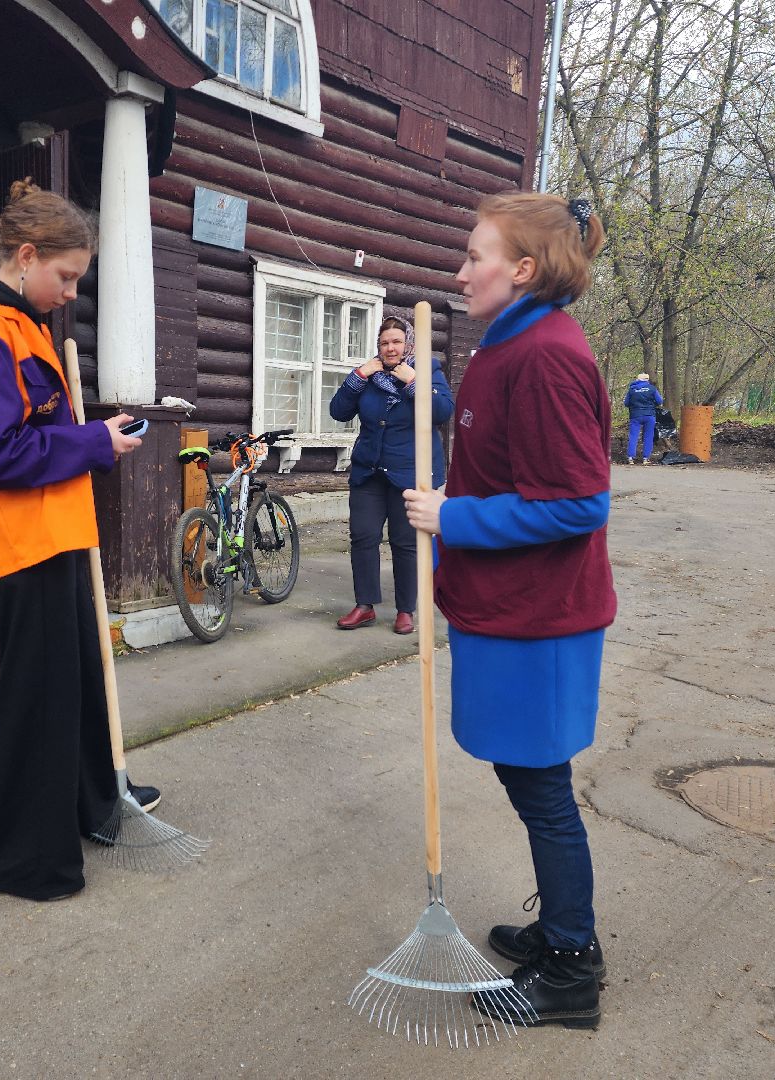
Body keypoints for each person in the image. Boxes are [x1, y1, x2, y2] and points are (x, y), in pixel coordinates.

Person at [404, 193, 615, 1029]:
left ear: (522, 270)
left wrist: (455, 518)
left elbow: (577, 502)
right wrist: (459, 495)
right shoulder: (507, 345)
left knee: (543, 789)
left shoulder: (548, 356)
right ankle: (561, 933)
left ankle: (571, 968)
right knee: (528, 779)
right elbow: (509, 472)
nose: (459, 273)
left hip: (543, 618)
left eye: (474, 258)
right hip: (505, 608)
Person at [0, 179, 157, 902]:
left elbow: (43, 427)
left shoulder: (22, 323)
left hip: (56, 533)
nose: (71, 293)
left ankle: (93, 804)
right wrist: (91, 443)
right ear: (25, 256)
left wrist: (96, 435)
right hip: (16, 541)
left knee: (79, 686)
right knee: (36, 698)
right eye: (66, 276)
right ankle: (22, 860)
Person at [329, 316, 453, 634]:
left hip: (409, 472)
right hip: (369, 471)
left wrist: (414, 382)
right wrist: (359, 375)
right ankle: (365, 605)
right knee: (364, 536)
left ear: (408, 343)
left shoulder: (429, 370)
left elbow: (441, 412)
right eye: (385, 342)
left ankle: (405, 610)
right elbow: (338, 411)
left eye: (396, 341)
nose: (390, 348)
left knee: (405, 542)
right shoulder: (369, 376)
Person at [624, 372, 664, 464]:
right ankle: (645, 458)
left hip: (635, 416)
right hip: (649, 415)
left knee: (633, 436)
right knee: (648, 436)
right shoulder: (652, 389)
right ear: (647, 380)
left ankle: (630, 458)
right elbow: (659, 401)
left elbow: (626, 403)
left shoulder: (632, 389)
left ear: (637, 379)